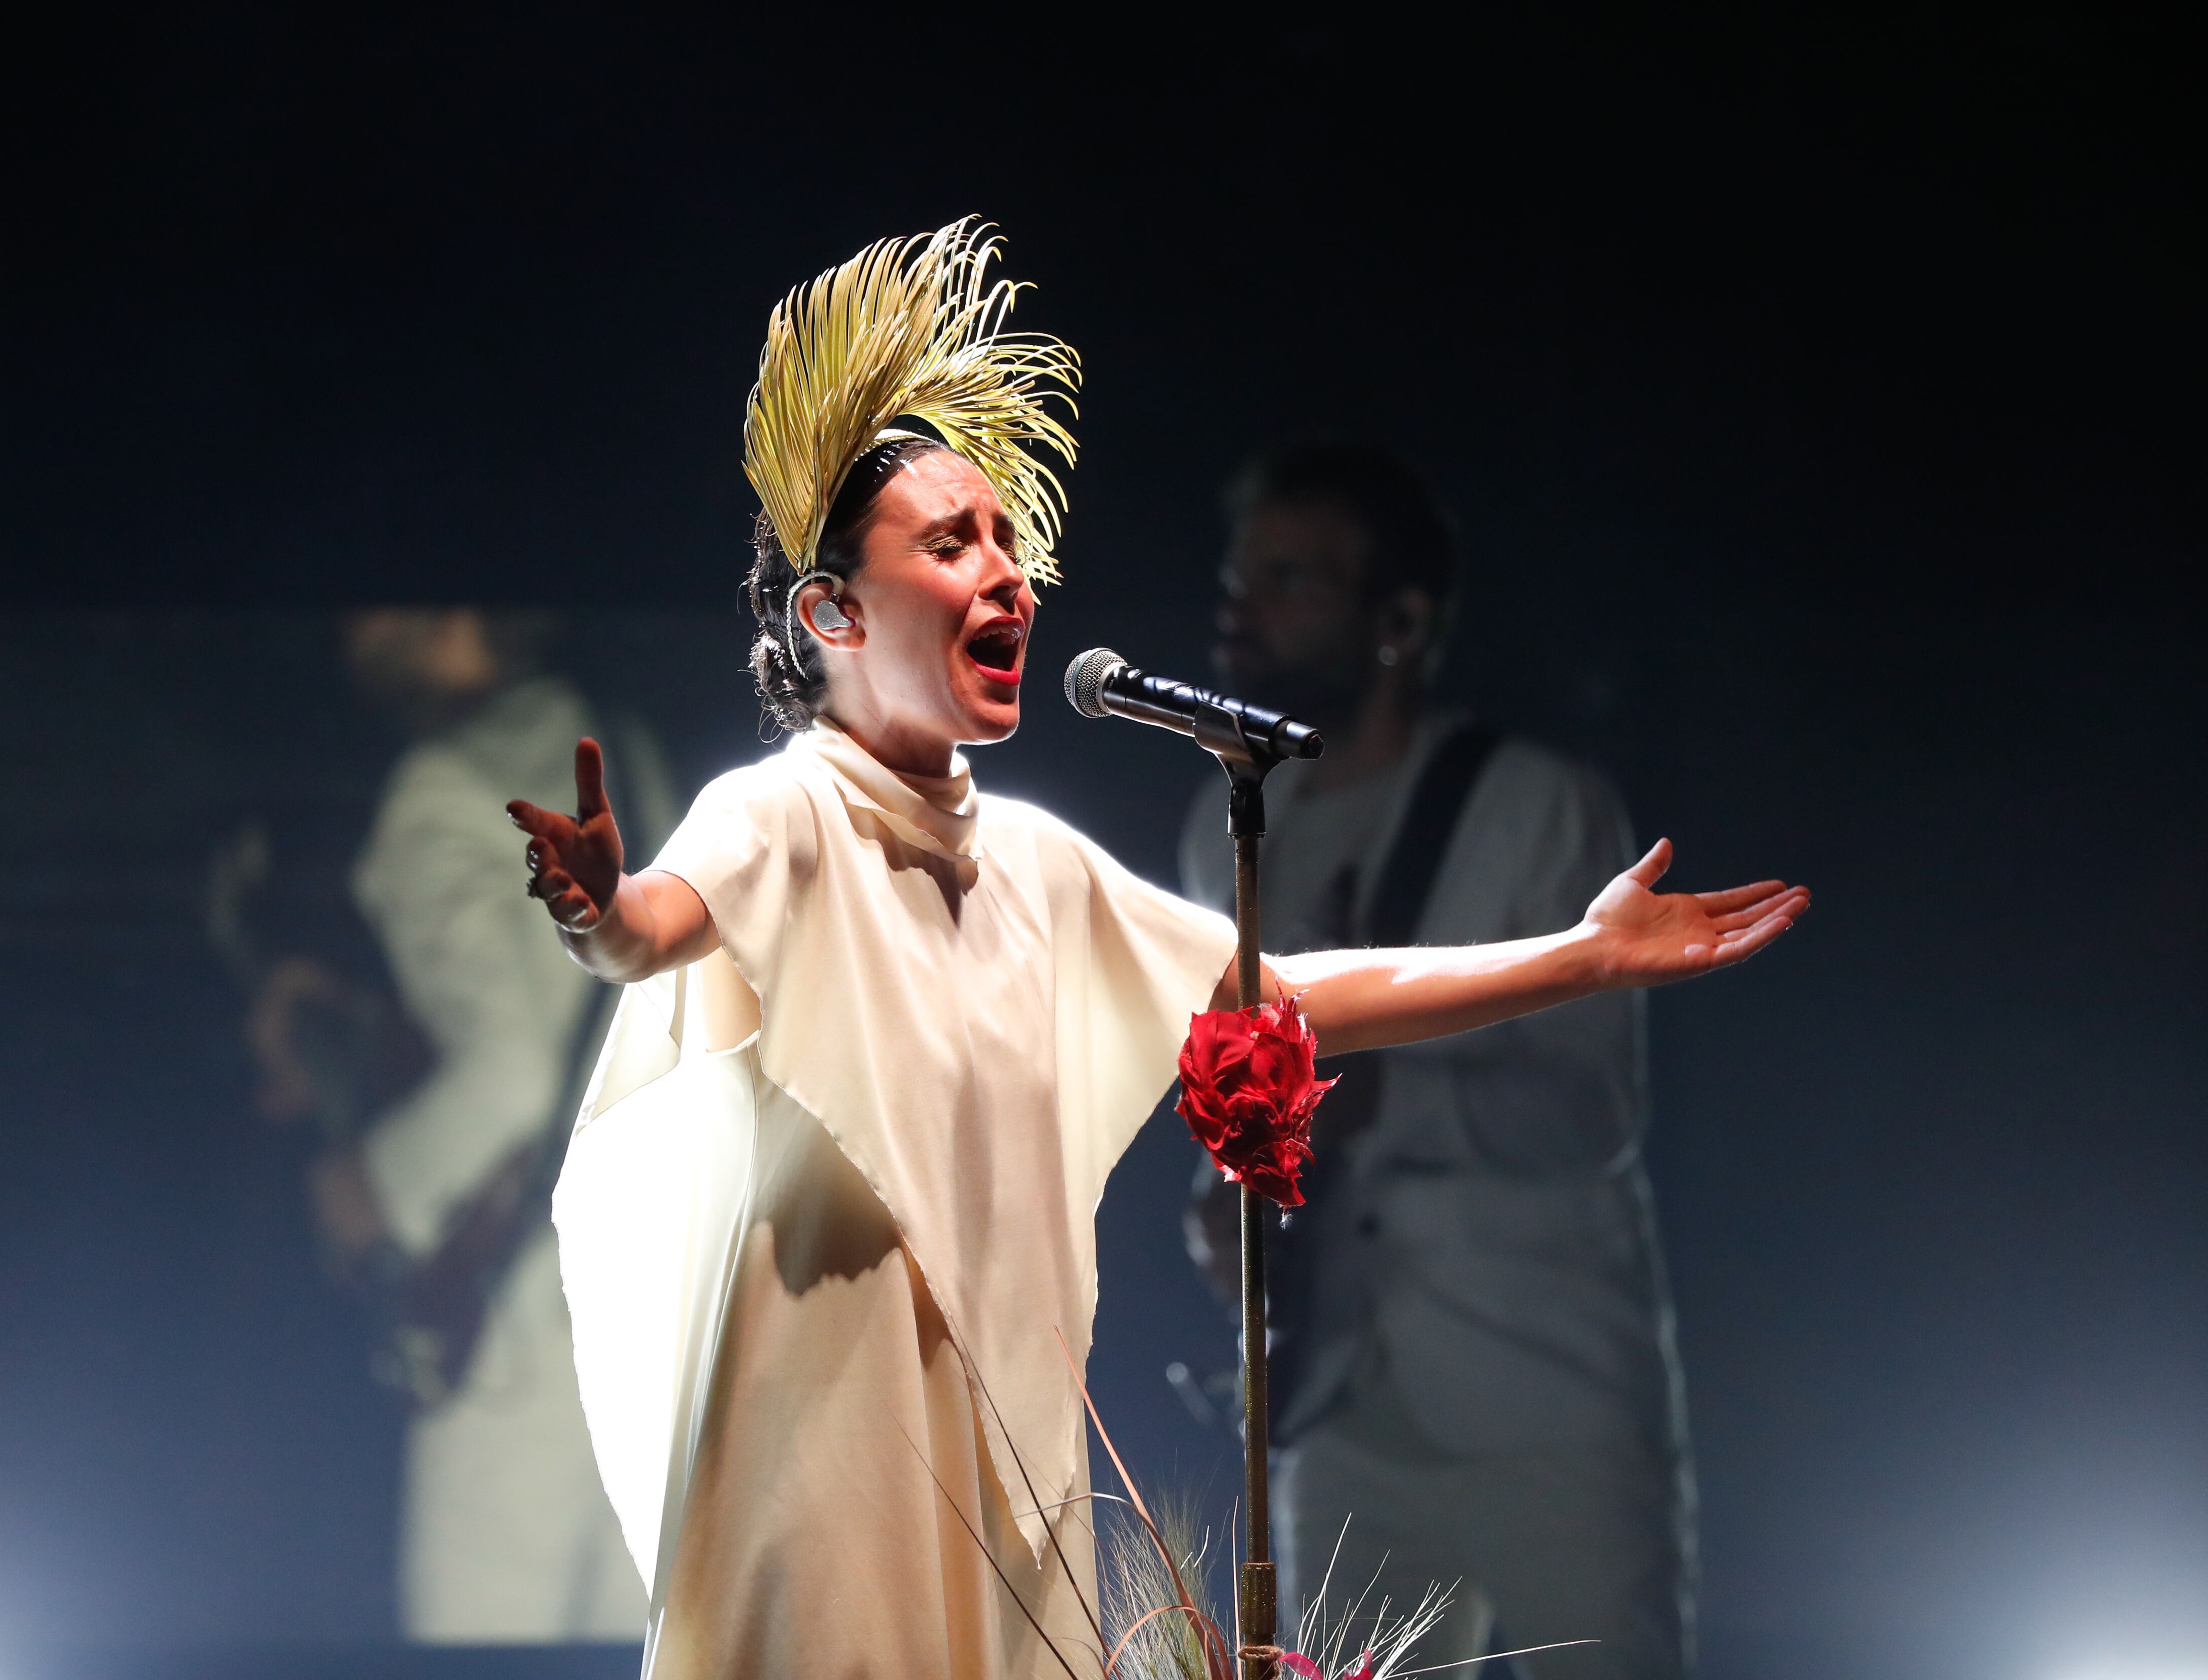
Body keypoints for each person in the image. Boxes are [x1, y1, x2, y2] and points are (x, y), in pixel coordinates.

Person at [504, 220, 1806, 1680]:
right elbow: (653, 932)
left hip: (1009, 1475)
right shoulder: (784, 812)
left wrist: (1580, 954)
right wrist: (598, 906)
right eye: (952, 544)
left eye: (1007, 537)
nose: (1007, 575)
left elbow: (1288, 994)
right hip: (830, 1475)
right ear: (835, 613)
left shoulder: (1042, 867)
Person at [1177, 442, 1692, 1678]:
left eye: (1292, 578)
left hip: (1545, 1392)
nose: (1242, 606)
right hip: (1335, 1400)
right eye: (1243, 575)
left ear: (1398, 619)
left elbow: (1589, 1111)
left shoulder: (1537, 804)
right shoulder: (1225, 822)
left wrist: (1364, 1093)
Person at [248, 607, 675, 1641]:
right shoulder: (623, 750)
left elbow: (515, 1073)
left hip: (524, 1340)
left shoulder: (438, 793)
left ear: (449, 617)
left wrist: (371, 1184)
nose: (349, 633)